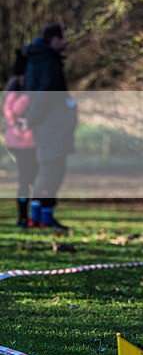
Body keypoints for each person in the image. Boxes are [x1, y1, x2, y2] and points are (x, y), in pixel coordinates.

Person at [23, 22, 77, 230]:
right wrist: (33, 119)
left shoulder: (38, 60)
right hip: (51, 125)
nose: (66, 43)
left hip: (48, 124)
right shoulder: (48, 63)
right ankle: (43, 217)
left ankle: (38, 215)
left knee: (48, 170)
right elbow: (45, 94)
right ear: (55, 39)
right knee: (52, 170)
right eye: (63, 39)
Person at [3, 49, 38, 227]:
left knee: (30, 178)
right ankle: (25, 217)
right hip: (23, 142)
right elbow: (12, 111)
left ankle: (28, 216)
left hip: (23, 141)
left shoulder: (15, 86)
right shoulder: (19, 88)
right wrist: (27, 98)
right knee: (28, 178)